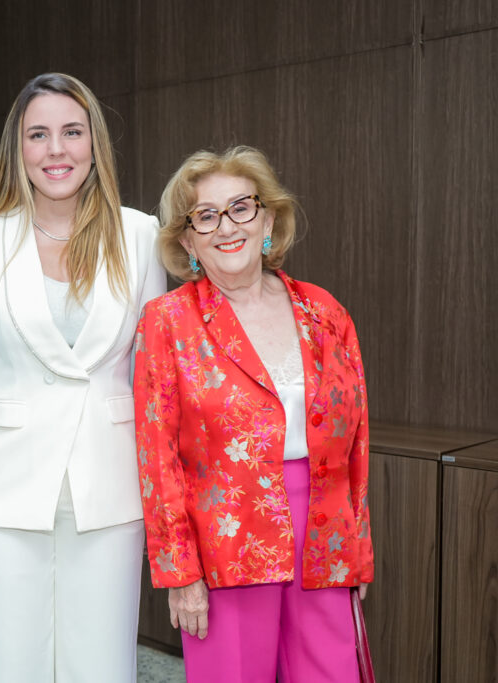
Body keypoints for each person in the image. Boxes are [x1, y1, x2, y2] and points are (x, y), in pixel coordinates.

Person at [0, 73, 165, 682]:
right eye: (38, 134)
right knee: (8, 664)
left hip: (110, 487)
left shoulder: (139, 234)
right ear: (19, 147)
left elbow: (153, 375)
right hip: (1, 489)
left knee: (101, 666)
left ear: (94, 143)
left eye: (71, 132)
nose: (56, 149)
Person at [133, 146, 373, 682]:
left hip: (325, 537)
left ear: (268, 219)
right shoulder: (168, 321)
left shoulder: (325, 312)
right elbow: (157, 459)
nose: (227, 226)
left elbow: (356, 442)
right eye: (206, 216)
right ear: (187, 240)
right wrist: (179, 572)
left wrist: (355, 546)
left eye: (241, 207)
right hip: (224, 542)